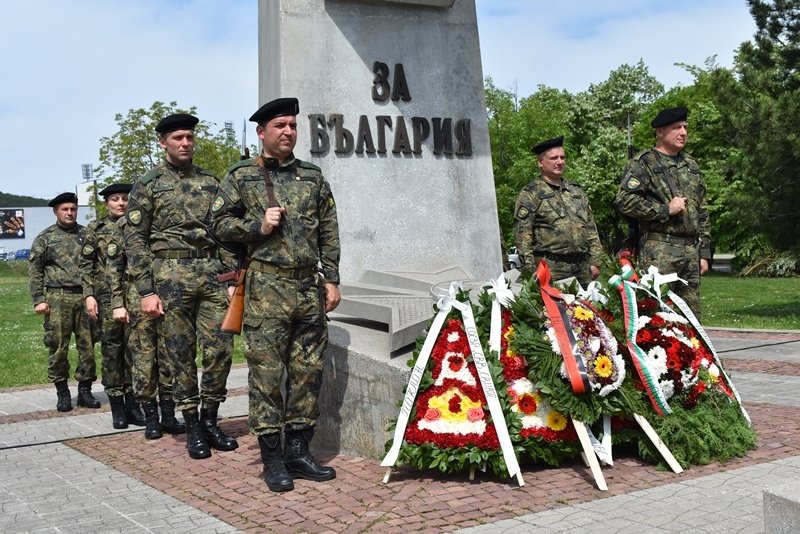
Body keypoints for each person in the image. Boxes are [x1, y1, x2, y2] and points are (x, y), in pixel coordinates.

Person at [211, 97, 341, 493]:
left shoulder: (312, 177)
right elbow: (217, 226)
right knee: (267, 377)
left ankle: (299, 453)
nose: (288, 132)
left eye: (292, 125)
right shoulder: (241, 176)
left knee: (307, 374)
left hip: (307, 287)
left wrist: (332, 278)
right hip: (266, 287)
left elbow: (329, 230)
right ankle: (272, 460)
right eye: (280, 125)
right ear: (261, 132)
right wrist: (257, 226)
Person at [124, 113, 238, 459]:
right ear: (163, 142)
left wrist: (233, 277)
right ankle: (192, 428)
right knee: (180, 354)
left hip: (210, 275)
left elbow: (225, 230)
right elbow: (135, 239)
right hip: (169, 276)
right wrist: (146, 291)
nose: (185, 143)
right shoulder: (148, 184)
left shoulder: (211, 181)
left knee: (220, 350)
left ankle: (210, 419)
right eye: (177, 138)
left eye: (189, 137)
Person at [614, 106, 711, 318]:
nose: (683, 132)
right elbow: (624, 201)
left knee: (691, 319)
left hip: (690, 252)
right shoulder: (644, 163)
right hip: (660, 250)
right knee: (658, 315)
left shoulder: (691, 164)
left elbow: (701, 209)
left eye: (685, 127)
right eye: (677, 127)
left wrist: (704, 253)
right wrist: (664, 209)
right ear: (660, 132)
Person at [107, 212, 186, 439]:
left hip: (169, 291)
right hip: (136, 296)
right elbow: (114, 268)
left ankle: (169, 415)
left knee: (170, 354)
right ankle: (151, 417)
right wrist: (117, 303)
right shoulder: (125, 225)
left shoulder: (168, 219)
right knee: (143, 356)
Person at [79, 183, 145, 429]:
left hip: (134, 295)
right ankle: (117, 406)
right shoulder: (96, 229)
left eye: (125, 199)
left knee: (133, 350)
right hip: (106, 298)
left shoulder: (138, 226)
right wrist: (89, 295)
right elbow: (85, 265)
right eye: (115, 199)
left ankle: (133, 404)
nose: (121, 203)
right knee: (112, 350)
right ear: (106, 204)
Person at [29, 192, 99, 412]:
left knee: (88, 345)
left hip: (84, 296)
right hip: (57, 297)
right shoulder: (45, 237)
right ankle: (62, 392)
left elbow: (97, 266)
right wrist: (38, 299)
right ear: (55, 211)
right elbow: (35, 270)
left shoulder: (87, 235)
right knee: (58, 346)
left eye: (73, 209)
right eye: (65, 209)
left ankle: (85, 391)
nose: (69, 213)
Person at [513, 136, 603, 287]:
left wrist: (596, 260)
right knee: (556, 310)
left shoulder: (576, 190)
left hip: (582, 266)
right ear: (540, 162)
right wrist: (530, 269)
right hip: (552, 267)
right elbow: (523, 236)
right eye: (554, 158)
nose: (560, 162)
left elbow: (591, 228)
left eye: (562, 157)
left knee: (587, 309)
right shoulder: (531, 193)